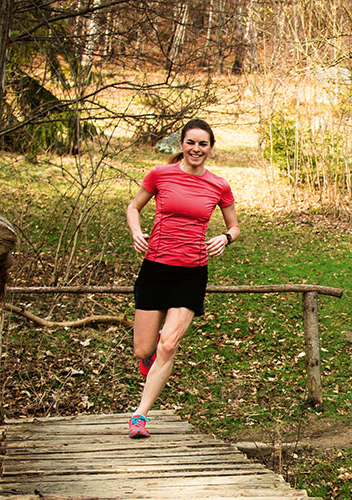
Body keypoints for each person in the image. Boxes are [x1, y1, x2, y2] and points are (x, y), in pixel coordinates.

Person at [124, 118, 239, 438]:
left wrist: (225, 238)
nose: (196, 149)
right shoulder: (160, 175)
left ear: (211, 149)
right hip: (156, 268)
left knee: (169, 344)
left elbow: (235, 226)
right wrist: (136, 232)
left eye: (203, 144)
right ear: (181, 145)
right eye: (191, 143)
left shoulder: (219, 185)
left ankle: (140, 416)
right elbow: (133, 207)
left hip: (191, 272)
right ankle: (149, 364)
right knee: (143, 349)